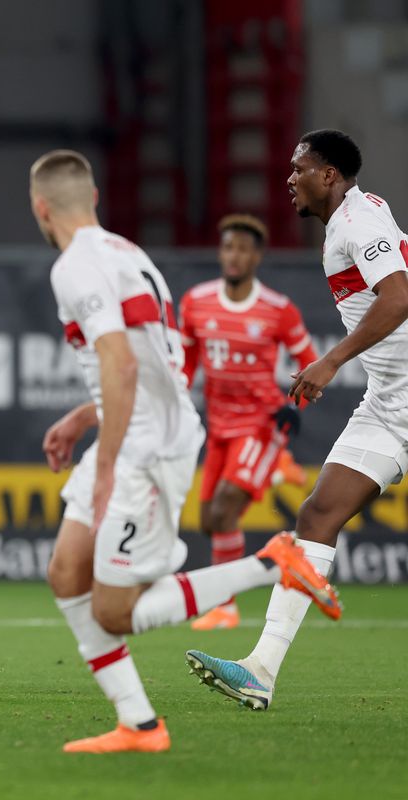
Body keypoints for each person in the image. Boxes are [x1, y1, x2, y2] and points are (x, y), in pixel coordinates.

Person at [31, 150, 338, 754]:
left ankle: (276, 563)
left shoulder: (73, 267)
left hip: (143, 448)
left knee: (116, 612)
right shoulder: (128, 253)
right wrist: (83, 416)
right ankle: (140, 726)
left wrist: (109, 461)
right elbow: (152, 368)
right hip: (138, 428)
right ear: (93, 199)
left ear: (41, 209)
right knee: (67, 574)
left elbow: (120, 364)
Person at [187, 129, 408, 710]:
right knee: (316, 514)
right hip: (390, 404)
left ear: (329, 175)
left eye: (300, 168)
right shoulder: (355, 217)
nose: (289, 178)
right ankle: (260, 669)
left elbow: (397, 296)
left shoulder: (359, 224)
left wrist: (331, 360)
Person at [179, 214, 318, 630]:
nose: (234, 255)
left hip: (260, 426)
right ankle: (275, 474)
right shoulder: (196, 301)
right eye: (228, 247)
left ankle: (226, 607)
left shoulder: (278, 309)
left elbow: (311, 362)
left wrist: (297, 407)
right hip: (218, 428)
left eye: (243, 248)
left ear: (257, 256)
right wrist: (176, 399)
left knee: (224, 511)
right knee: (208, 521)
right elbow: (185, 364)